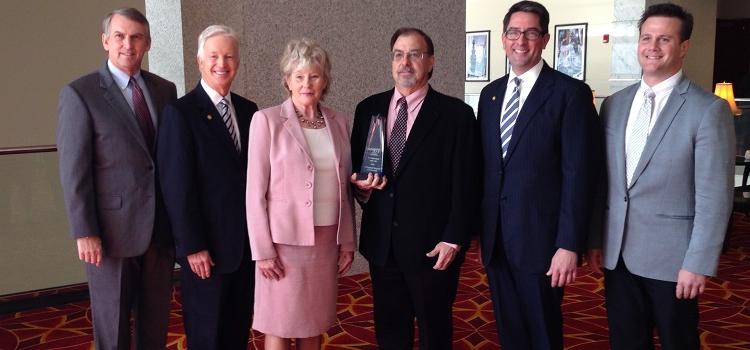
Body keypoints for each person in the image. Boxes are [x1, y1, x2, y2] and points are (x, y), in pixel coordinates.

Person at [587, 4, 735, 349]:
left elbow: (714, 197)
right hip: (617, 253)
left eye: (664, 39)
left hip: (674, 260)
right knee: (625, 340)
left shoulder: (708, 109)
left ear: (683, 47)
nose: (652, 46)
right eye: (646, 38)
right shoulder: (614, 104)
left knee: (678, 342)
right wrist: (595, 238)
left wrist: (698, 263)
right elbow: (604, 183)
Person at [476, 1, 601, 349]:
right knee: (510, 331)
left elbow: (580, 174)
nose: (521, 40)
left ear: (545, 39)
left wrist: (569, 244)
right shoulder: (490, 95)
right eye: (514, 32)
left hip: (543, 242)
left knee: (542, 332)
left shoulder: (570, 93)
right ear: (503, 39)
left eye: (531, 32)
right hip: (496, 239)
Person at [350, 27, 480, 349]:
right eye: (398, 54)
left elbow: (468, 183)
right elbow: (359, 173)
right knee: (390, 331)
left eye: (415, 54)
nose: (405, 62)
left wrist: (454, 238)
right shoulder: (369, 109)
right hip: (383, 245)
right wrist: (362, 189)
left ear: (431, 62)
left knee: (434, 332)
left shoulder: (456, 115)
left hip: (433, 249)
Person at [56, 7, 177, 349]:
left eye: (137, 37)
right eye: (120, 36)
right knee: (113, 330)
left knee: (155, 328)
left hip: (159, 232)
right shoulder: (80, 94)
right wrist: (85, 231)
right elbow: (74, 171)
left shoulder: (165, 90)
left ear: (148, 44)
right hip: (109, 236)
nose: (128, 44)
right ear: (105, 41)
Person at [245, 38, 355, 350]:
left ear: (325, 80)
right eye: (299, 76)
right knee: (279, 324)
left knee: (313, 323)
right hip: (282, 245)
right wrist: (262, 250)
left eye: (314, 76)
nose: (307, 83)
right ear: (287, 80)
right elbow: (254, 193)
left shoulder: (339, 122)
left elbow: (344, 187)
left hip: (325, 240)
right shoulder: (266, 121)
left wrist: (347, 241)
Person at [157, 25, 258, 349]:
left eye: (229, 56)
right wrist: (192, 246)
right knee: (207, 337)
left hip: (244, 249)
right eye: (213, 56)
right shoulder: (179, 113)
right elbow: (176, 187)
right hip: (206, 252)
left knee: (236, 332)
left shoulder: (248, 110)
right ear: (200, 61)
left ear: (238, 62)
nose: (222, 63)